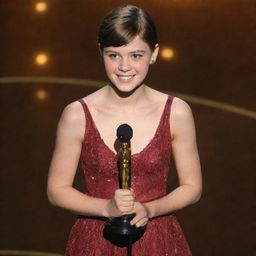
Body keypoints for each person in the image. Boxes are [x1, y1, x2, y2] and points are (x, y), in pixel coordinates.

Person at [47, 4, 202, 256]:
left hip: (158, 239)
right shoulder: (76, 114)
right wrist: (106, 209)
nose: (124, 66)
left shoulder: (177, 112)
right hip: (95, 240)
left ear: (154, 53)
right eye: (113, 55)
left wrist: (150, 210)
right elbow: (57, 191)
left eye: (136, 55)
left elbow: (192, 186)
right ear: (101, 52)